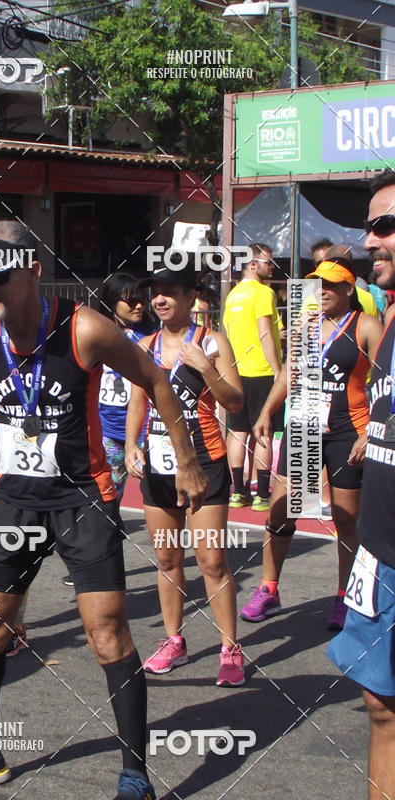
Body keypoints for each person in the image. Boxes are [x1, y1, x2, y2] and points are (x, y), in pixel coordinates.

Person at [0, 221, 207, 800]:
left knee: (107, 636)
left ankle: (134, 774)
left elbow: (155, 379)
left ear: (32, 273)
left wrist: (188, 460)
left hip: (81, 500)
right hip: (15, 500)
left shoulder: (84, 329)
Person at [240, 256, 382, 631]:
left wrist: (372, 431)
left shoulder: (366, 326)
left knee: (344, 520)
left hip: (349, 431)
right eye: (319, 285)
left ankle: (343, 595)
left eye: (332, 286)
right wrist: (267, 412)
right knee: (280, 510)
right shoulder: (306, 326)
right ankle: (269, 589)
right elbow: (288, 373)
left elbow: (389, 382)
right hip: (304, 427)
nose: (323, 292)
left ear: (349, 290)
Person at [125, 267, 245, 685]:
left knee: (212, 560)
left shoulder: (211, 342)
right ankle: (173, 640)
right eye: (155, 293)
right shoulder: (144, 344)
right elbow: (137, 402)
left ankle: (230, 647)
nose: (160, 300)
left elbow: (235, 401)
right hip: (158, 466)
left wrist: (206, 369)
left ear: (190, 296)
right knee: (167, 558)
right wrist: (130, 444)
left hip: (205, 464)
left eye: (169, 293)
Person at [327, 169, 395, 800]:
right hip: (383, 554)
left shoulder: (370, 324)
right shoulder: (393, 318)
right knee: (381, 705)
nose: (370, 239)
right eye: (370, 226)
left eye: (386, 226)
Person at [223, 243, 283, 512]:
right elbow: (263, 332)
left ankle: (239, 491)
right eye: (268, 262)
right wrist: (277, 369)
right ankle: (261, 494)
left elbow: (230, 332)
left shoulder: (233, 295)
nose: (272, 267)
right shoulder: (263, 293)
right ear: (253, 264)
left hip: (237, 372)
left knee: (237, 431)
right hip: (261, 371)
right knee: (264, 431)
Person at [98, 273, 157, 503]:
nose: (139, 305)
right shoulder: (97, 332)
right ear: (113, 302)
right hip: (108, 430)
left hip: (146, 431)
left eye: (142, 299)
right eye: (131, 301)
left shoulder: (150, 335)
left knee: (156, 493)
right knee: (107, 494)